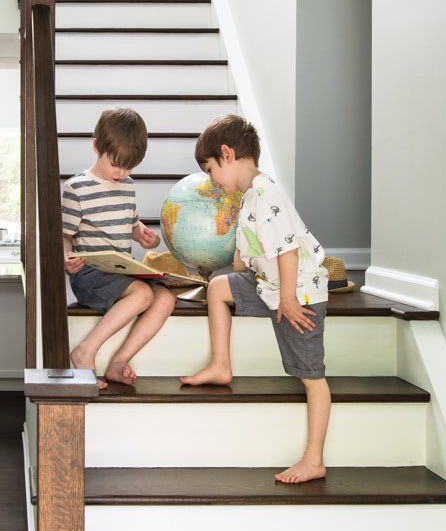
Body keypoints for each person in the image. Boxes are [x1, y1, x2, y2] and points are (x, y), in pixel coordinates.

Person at [181, 114, 331, 484]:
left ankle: (314, 459)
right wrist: (228, 270)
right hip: (269, 286)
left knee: (311, 377)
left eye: (211, 169)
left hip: (299, 294)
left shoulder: (266, 193)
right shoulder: (248, 197)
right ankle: (220, 364)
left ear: (228, 154)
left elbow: (288, 250)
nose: (211, 179)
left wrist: (291, 299)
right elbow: (245, 253)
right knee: (219, 288)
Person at [62, 106, 176, 387]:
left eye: (130, 166)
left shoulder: (127, 185)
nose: (122, 172)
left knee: (166, 298)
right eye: (116, 164)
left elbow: (132, 226)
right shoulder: (77, 188)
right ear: (96, 147)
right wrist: (67, 257)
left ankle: (118, 362)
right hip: (89, 274)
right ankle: (85, 350)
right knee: (141, 294)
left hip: (120, 272)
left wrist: (144, 237)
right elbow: (64, 235)